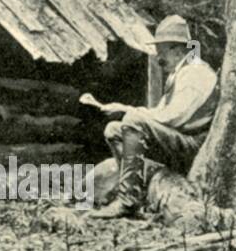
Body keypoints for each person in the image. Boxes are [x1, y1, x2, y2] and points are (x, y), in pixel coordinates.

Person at [79, 15, 219, 219]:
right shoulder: (180, 73)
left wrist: (129, 111)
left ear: (178, 50)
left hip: (192, 145)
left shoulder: (195, 74)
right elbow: (162, 115)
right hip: (179, 139)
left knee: (133, 120)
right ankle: (138, 188)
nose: (159, 58)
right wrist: (125, 109)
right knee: (113, 130)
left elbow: (172, 118)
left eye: (162, 51)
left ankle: (128, 201)